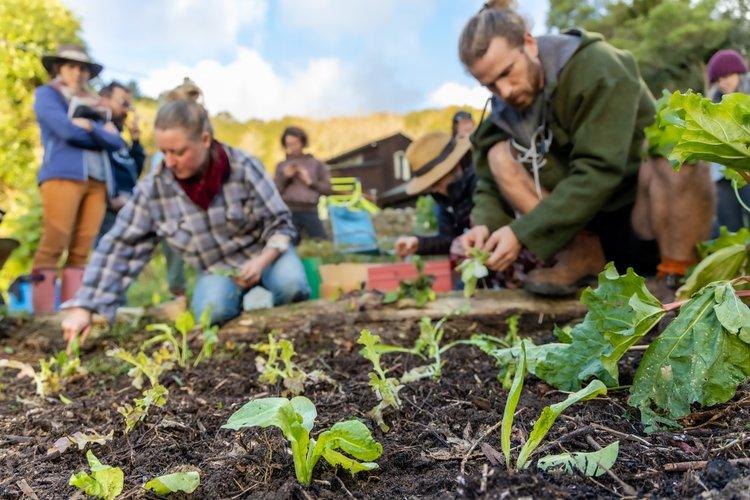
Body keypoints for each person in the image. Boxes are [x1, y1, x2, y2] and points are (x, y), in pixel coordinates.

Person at [458, 0, 714, 296]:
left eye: (506, 73)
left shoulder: (597, 67)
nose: (504, 91)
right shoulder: (505, 107)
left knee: (677, 153)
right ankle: (582, 256)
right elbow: (489, 182)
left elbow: (599, 170)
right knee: (498, 155)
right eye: (490, 85)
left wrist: (522, 233)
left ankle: (679, 278)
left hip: (644, 216)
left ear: (529, 44)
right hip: (583, 227)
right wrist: (486, 225)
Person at [60, 100, 310, 351]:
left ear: (204, 139)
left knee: (292, 285)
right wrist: (86, 305)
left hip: (265, 254)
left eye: (179, 152)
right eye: (164, 152)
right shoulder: (155, 189)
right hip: (218, 268)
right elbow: (120, 246)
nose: (169, 162)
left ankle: (287, 340)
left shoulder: (244, 167)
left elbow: (281, 222)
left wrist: (261, 261)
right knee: (213, 313)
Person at [32, 44, 126, 313]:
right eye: (71, 66)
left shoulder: (96, 103)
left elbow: (117, 141)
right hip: (62, 175)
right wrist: (100, 133)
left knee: (83, 247)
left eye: (83, 68)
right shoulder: (47, 95)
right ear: (58, 68)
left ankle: (72, 310)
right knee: (55, 240)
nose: (78, 73)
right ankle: (43, 313)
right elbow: (65, 131)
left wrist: (89, 126)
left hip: (98, 181)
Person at [394, 132, 475, 257]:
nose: (435, 190)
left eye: (437, 182)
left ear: (455, 166)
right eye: (431, 186)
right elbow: (449, 238)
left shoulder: (482, 182)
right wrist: (419, 243)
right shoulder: (443, 197)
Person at [706, 49, 750, 233]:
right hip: (722, 175)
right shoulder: (712, 103)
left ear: (739, 73)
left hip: (747, 171)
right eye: (719, 78)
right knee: (731, 230)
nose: (724, 82)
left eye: (728, 75)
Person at [96, 81, 145, 242]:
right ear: (104, 100)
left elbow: (134, 172)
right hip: (106, 210)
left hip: (124, 210)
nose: (126, 110)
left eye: (129, 106)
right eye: (123, 103)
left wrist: (136, 141)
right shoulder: (98, 131)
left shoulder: (120, 140)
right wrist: (111, 199)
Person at [274, 126, 332, 240]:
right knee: (288, 246)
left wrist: (310, 181)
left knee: (321, 243)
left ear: (303, 142)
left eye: (296, 143)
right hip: (288, 212)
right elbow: (273, 192)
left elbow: (328, 189)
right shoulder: (281, 166)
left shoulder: (316, 164)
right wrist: (285, 177)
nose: (293, 147)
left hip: (310, 211)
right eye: (289, 144)